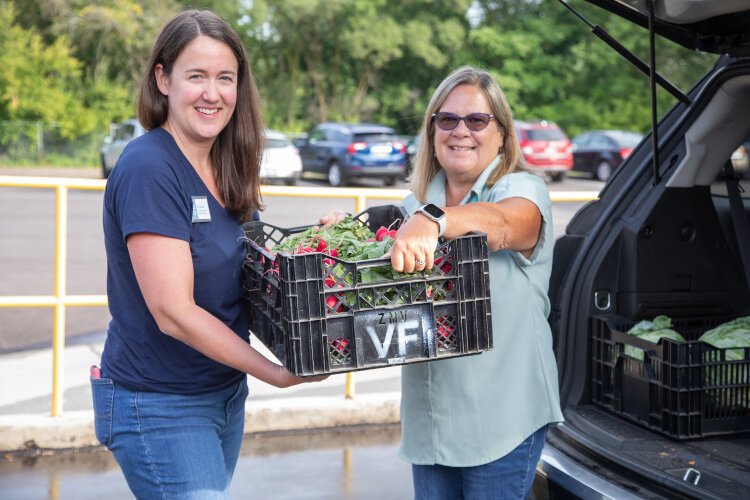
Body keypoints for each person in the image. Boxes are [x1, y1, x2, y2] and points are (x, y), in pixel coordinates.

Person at [91, 10, 325, 499]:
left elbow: (251, 264)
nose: (212, 93)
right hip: (158, 403)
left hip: (220, 395)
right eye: (196, 76)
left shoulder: (226, 162)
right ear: (163, 78)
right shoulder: (150, 167)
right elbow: (173, 312)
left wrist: (322, 241)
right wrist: (276, 373)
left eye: (225, 78)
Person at [386, 66, 564, 499]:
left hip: (502, 422)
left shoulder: (523, 191)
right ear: (432, 131)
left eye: (477, 120)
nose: (460, 131)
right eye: (447, 119)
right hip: (430, 425)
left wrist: (432, 221)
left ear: (502, 134)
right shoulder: (414, 204)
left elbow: (502, 224)